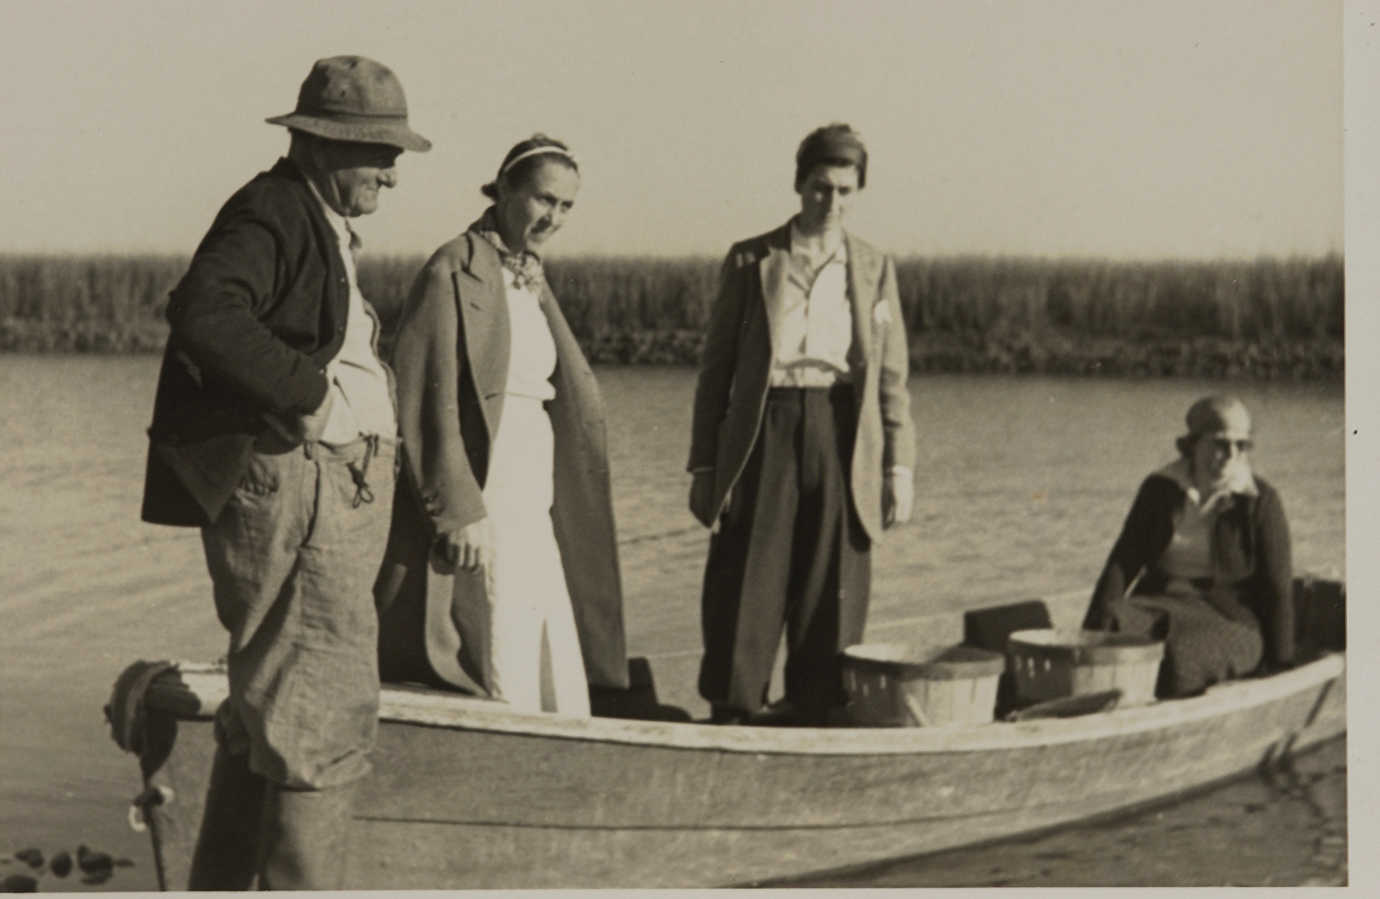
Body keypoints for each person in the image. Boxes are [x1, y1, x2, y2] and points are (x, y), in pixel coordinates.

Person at [139, 56, 429, 889]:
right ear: (325, 144)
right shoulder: (273, 211)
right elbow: (202, 310)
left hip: (317, 497)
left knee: (274, 711)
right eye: (380, 152)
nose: (393, 170)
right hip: (304, 498)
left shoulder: (304, 215)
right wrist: (313, 400)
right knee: (319, 721)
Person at [374, 135, 628, 715]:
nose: (554, 218)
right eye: (543, 200)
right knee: (497, 621)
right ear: (505, 189)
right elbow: (420, 398)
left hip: (533, 479)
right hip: (487, 478)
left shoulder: (527, 275)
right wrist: (458, 509)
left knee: (542, 616)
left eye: (566, 206)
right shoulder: (452, 269)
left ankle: (560, 747)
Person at [686, 123, 917, 725]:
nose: (831, 203)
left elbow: (891, 377)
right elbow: (716, 372)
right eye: (820, 188)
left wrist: (899, 467)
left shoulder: (873, 265)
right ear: (798, 184)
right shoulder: (751, 258)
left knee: (832, 577)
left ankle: (816, 713)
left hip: (842, 429)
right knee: (748, 574)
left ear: (857, 192)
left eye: (845, 190)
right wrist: (706, 465)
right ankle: (734, 711)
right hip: (767, 426)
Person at [1082, 395, 1295, 697]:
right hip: (1161, 603)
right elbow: (1124, 560)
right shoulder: (1159, 489)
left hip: (1231, 620)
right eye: (1220, 444)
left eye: (1241, 445)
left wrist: (1280, 666)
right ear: (1194, 444)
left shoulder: (1261, 501)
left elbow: (1278, 587)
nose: (1230, 454)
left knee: (1180, 659)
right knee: (1111, 624)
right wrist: (1090, 633)